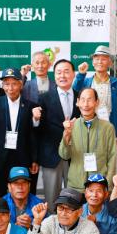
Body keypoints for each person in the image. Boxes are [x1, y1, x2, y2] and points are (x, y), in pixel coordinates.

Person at [0, 67, 40, 198]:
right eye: (6, 84)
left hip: (23, 158)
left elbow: (34, 135)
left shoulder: (31, 106)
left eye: (14, 84)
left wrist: (34, 159)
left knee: (23, 196)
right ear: (2, 85)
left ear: (21, 84)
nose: (10, 88)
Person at [35, 59, 80, 212]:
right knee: (51, 200)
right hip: (51, 155)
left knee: (74, 198)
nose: (63, 75)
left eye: (66, 71)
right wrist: (35, 119)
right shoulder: (44, 98)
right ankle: (51, 225)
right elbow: (38, 128)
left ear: (73, 74)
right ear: (54, 76)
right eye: (59, 72)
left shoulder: (81, 98)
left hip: (75, 155)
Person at [59, 87, 117, 192]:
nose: (86, 104)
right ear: (77, 102)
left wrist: (107, 185)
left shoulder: (108, 127)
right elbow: (64, 155)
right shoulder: (72, 125)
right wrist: (66, 134)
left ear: (97, 102)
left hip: (99, 187)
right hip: (75, 186)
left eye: (89, 100)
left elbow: (112, 157)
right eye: (83, 100)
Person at [73, 46, 117, 147]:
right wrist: (81, 74)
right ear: (93, 62)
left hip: (110, 128)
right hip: (89, 128)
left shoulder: (116, 83)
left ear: (110, 63)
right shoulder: (86, 81)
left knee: (111, 156)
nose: (100, 62)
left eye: (103, 59)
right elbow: (75, 88)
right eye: (97, 59)